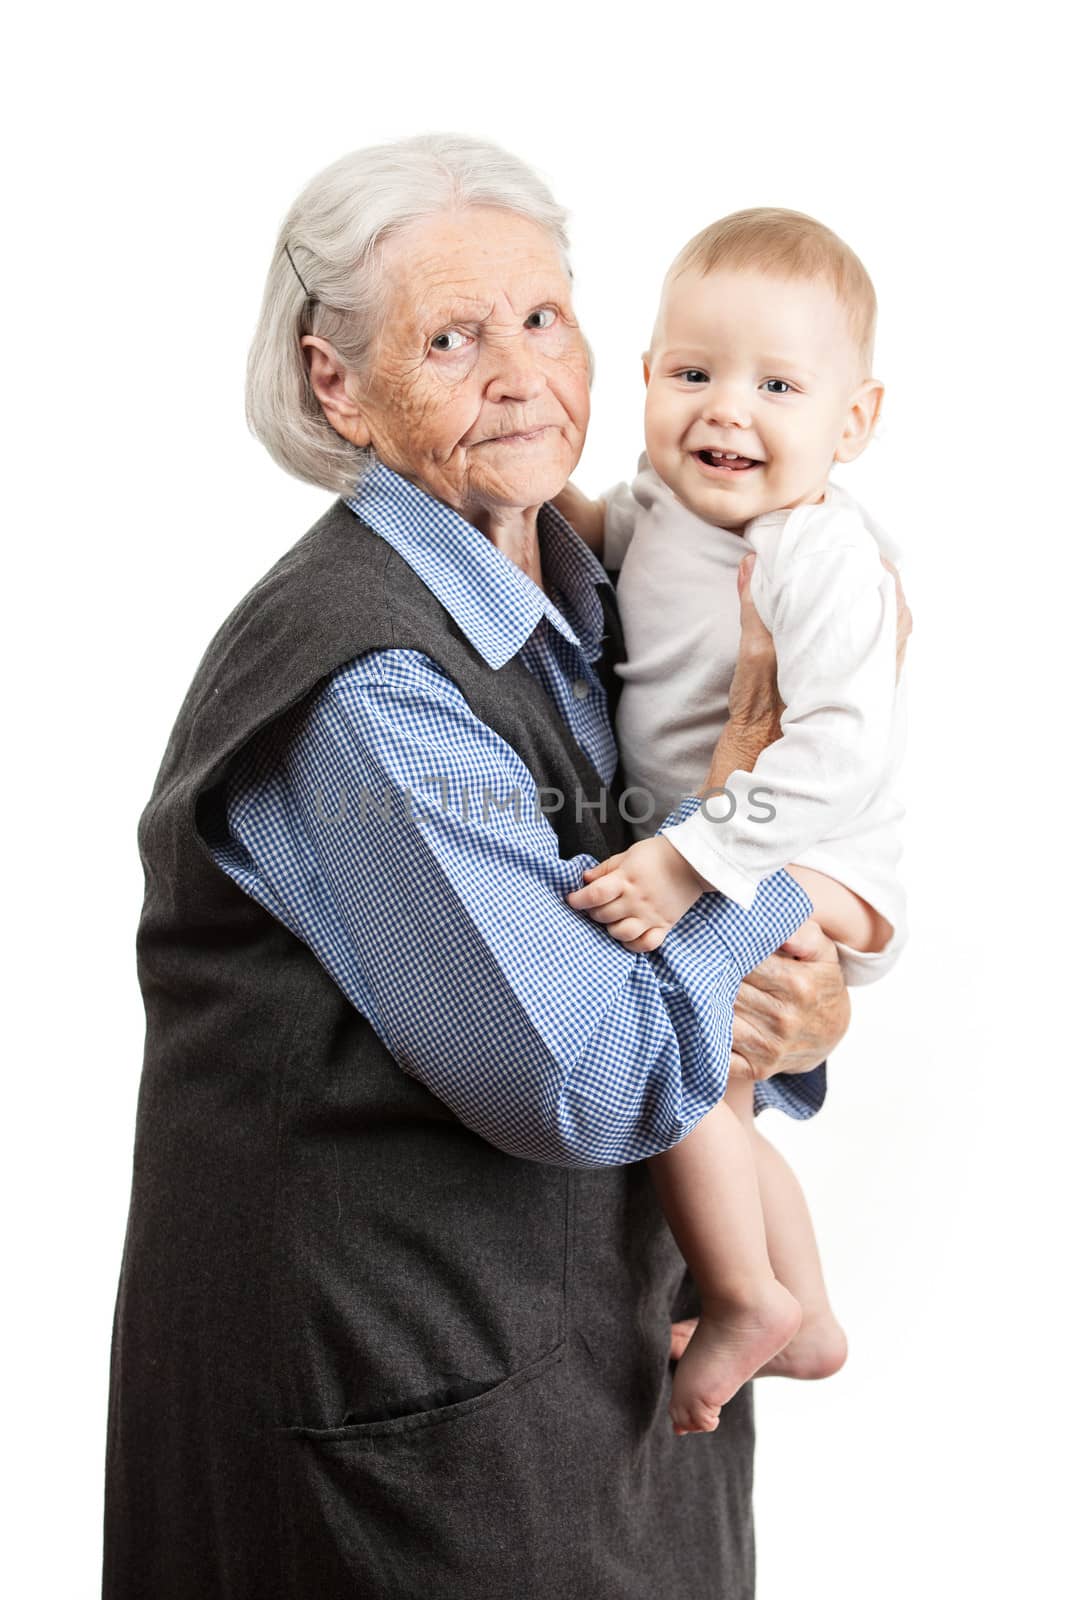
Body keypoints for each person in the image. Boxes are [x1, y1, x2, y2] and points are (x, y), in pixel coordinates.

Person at [102, 136, 908, 1599]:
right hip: (409, 1453)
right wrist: (749, 856)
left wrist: (802, 1011)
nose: (519, 373)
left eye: (543, 320)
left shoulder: (605, 596)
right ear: (333, 381)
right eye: (451, 337)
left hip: (602, 1412)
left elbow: (716, 1011)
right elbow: (586, 1073)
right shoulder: (366, 685)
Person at [553, 209, 908, 1435]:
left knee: (679, 1050)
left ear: (851, 422)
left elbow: (842, 750)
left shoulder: (818, 557)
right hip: (737, 844)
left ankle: (747, 1291)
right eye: (694, 373)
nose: (726, 411)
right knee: (725, 1092)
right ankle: (799, 1312)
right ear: (647, 378)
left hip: (818, 854)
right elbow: (593, 546)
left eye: (777, 385)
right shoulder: (658, 503)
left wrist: (689, 857)